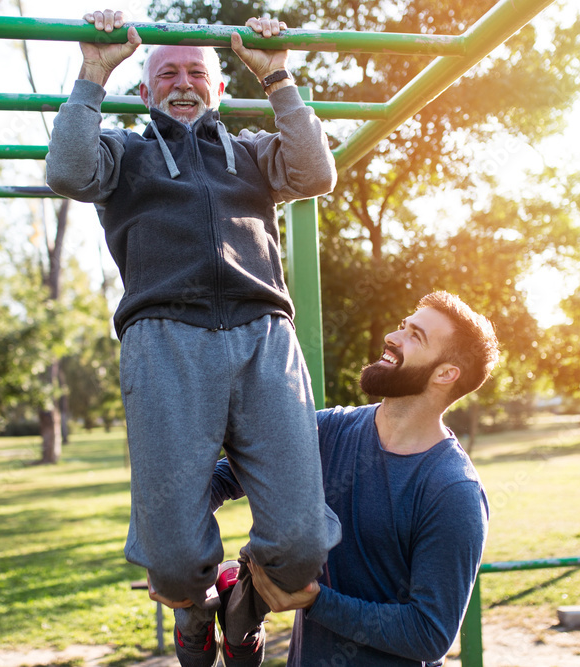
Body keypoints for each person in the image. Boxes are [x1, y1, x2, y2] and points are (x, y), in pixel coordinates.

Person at [45, 10, 340, 667]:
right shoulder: (124, 153)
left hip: (264, 337)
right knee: (173, 558)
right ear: (144, 92)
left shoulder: (253, 154)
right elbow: (67, 171)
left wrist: (279, 77)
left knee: (299, 546)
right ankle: (194, 602)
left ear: (219, 89)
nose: (184, 83)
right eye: (167, 73)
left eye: (197, 73)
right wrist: (93, 73)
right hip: (166, 339)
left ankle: (244, 604)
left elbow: (317, 173)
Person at [211, 291, 499, 666]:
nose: (393, 338)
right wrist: (179, 546)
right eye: (402, 327)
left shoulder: (452, 490)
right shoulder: (329, 429)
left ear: (445, 374)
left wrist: (317, 601)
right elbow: (228, 475)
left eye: (416, 336)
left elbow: (430, 633)